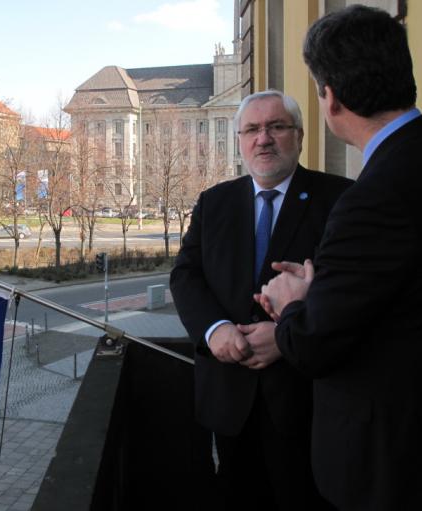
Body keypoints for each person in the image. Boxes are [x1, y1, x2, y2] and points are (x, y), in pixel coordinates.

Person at [252, 5, 422, 510]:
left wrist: (293, 301)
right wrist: (327, 288)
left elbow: (312, 346)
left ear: (332, 98)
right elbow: (408, 298)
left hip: (392, 467)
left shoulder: (376, 195)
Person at [170, 90, 352, 509]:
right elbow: (185, 275)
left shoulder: (341, 199)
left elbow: (349, 292)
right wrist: (214, 330)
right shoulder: (214, 202)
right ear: (239, 139)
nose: (263, 138)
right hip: (229, 400)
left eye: (276, 127)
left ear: (299, 136)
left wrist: (287, 336)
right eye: (252, 129)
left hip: (307, 401)